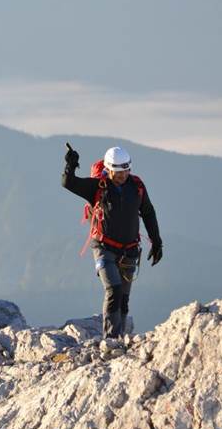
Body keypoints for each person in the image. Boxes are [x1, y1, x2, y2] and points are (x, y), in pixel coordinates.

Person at [62, 145, 163, 339]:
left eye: (125, 171)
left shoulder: (137, 186)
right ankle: (111, 340)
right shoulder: (97, 186)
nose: (122, 175)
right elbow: (68, 183)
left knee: (123, 299)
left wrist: (157, 242)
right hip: (103, 248)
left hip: (130, 251)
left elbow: (148, 213)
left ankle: (120, 338)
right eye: (117, 172)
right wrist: (70, 165)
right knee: (113, 289)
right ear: (108, 169)